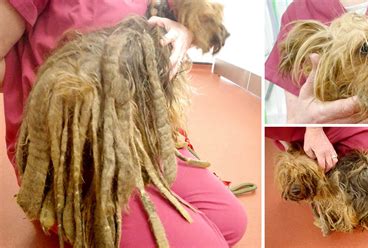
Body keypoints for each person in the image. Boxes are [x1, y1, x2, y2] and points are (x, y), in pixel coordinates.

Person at [0, 0, 246, 247]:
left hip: (139, 133)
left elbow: (190, 15)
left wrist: (184, 32)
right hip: (73, 155)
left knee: (232, 222)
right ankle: (75, 210)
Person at [266, 126, 368, 172]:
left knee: (361, 162)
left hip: (327, 125)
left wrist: (314, 130)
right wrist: (287, 143)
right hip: (291, 133)